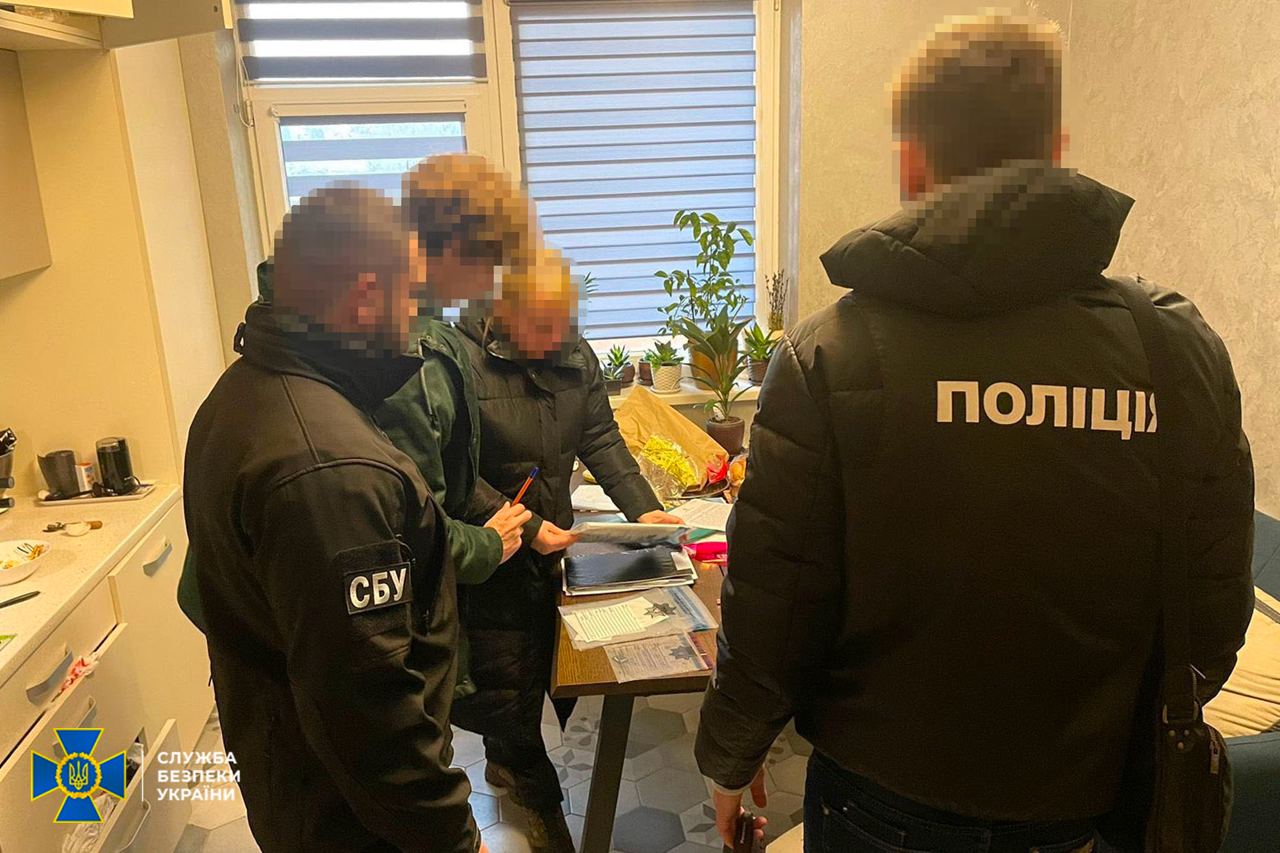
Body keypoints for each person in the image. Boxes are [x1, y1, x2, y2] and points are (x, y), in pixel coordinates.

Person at [695, 11, 1255, 853]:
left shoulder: (830, 356)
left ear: (912, 163)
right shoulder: (1176, 351)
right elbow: (1213, 613)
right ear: (1054, 149)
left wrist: (729, 759)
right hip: (1091, 808)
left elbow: (776, 610)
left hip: (882, 804)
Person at [184, 185, 484, 852]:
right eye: (410, 299)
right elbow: (368, 707)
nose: (416, 323)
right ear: (367, 296)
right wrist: (451, 833)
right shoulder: (328, 471)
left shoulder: (241, 392)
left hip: (293, 774)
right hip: (354, 819)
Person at [451, 246, 682, 850]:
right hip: (490, 549)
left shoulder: (574, 351)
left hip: (552, 546)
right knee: (506, 683)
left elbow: (599, 435)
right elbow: (449, 470)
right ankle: (543, 806)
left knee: (536, 672)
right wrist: (525, 526)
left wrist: (642, 508)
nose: (558, 340)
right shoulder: (457, 358)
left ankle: (507, 761)